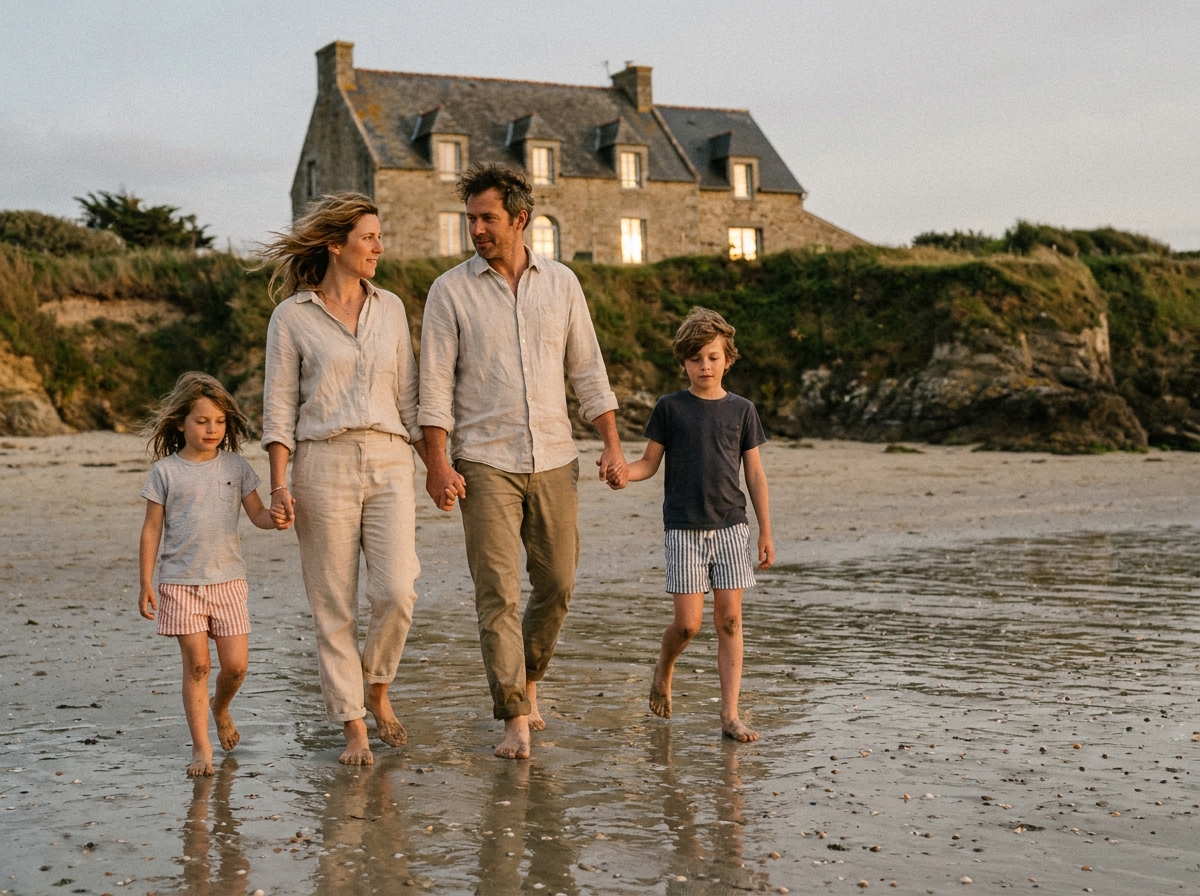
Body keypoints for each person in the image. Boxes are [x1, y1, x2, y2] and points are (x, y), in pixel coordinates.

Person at [419, 163, 627, 759]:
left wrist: (610, 442)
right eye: (471, 220)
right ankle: (513, 713)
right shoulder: (448, 291)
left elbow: (588, 371)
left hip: (555, 456)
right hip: (482, 460)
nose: (477, 229)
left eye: (487, 218)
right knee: (497, 593)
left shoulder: (562, 284)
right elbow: (432, 388)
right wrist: (437, 463)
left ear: (520, 218)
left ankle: (530, 678)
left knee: (557, 583)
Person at [260, 193, 436, 766]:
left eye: (379, 238)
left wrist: (437, 464)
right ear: (336, 245)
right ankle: (353, 723)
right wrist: (280, 484)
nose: (379, 248)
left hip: (389, 459)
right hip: (322, 463)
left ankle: (376, 683)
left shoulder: (390, 308)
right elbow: (279, 408)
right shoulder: (291, 318)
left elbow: (409, 396)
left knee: (396, 591)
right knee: (333, 605)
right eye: (369, 239)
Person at [624, 307, 774, 742]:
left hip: (731, 526)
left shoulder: (743, 410)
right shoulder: (670, 408)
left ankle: (730, 715)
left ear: (728, 358)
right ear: (683, 363)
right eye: (695, 359)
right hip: (683, 529)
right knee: (688, 625)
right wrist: (621, 472)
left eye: (712, 357)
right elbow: (648, 464)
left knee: (729, 621)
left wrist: (765, 531)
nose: (704, 366)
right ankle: (663, 668)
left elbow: (755, 474)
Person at [138, 371, 290, 776]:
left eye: (219, 422)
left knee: (236, 665)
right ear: (181, 423)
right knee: (198, 667)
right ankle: (201, 749)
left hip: (228, 581)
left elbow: (256, 514)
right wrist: (145, 584)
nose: (212, 429)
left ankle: (220, 707)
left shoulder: (237, 467)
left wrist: (274, 518)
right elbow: (151, 529)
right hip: (180, 583)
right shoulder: (166, 472)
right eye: (202, 421)